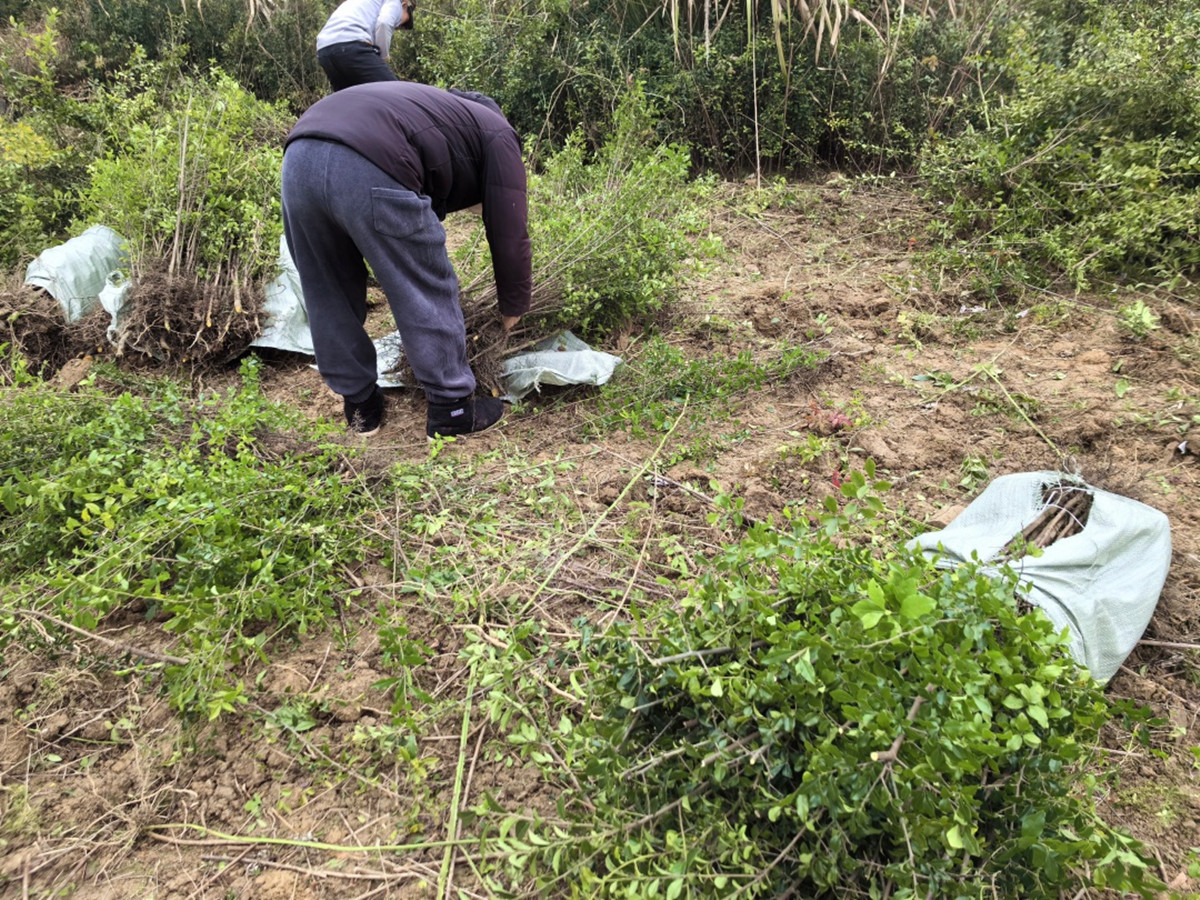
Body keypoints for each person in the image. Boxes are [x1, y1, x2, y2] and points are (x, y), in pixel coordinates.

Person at [280, 81, 531, 439]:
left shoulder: (432, 110)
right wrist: (513, 306)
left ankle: (361, 406)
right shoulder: (500, 133)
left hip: (299, 160)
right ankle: (452, 410)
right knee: (421, 282)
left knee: (327, 285)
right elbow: (510, 232)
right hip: (370, 163)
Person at [316, 0, 413, 92]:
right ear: (404, 5)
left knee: (351, 99)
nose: (398, 26)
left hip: (324, 50)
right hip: (350, 44)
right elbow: (384, 23)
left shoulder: (365, 4)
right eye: (403, 23)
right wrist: (383, 56)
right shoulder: (396, 2)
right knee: (394, 92)